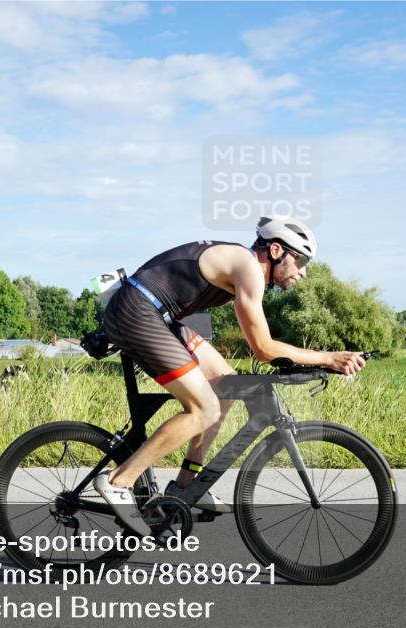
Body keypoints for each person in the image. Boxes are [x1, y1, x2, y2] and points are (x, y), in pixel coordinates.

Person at [93, 215, 366, 534]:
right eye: (300, 260)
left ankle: (185, 486)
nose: (303, 272)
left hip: (154, 313)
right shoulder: (248, 267)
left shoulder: (242, 264)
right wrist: (328, 358)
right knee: (204, 408)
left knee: (226, 382)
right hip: (137, 312)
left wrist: (315, 360)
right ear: (276, 251)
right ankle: (118, 482)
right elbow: (263, 348)